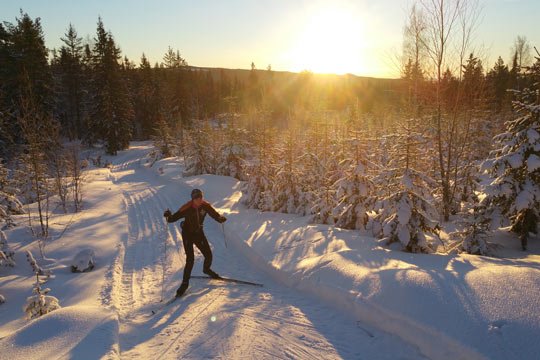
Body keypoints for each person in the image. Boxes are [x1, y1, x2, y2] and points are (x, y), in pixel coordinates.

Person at [164, 188, 227, 297]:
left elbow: (214, 214)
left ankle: (206, 270)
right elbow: (172, 219)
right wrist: (168, 216)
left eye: (200, 197)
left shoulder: (205, 206)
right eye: (196, 198)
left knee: (208, 254)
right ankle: (184, 284)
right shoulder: (186, 207)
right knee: (190, 259)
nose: (199, 200)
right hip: (187, 235)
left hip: (198, 233)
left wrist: (220, 218)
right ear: (192, 199)